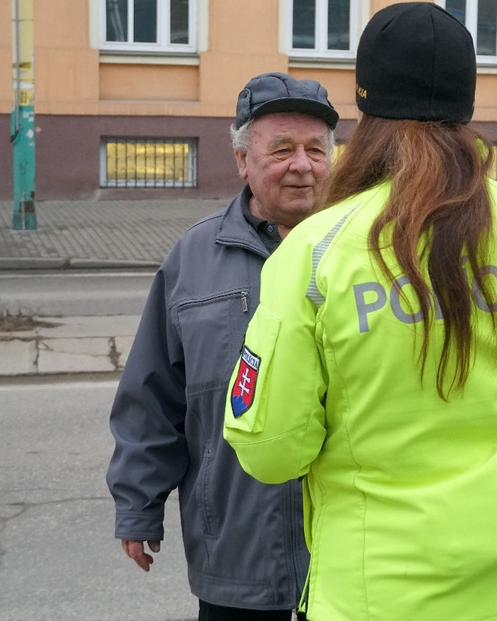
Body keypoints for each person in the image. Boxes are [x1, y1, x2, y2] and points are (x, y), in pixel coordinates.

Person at [223, 2, 497, 621]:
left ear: (367, 111)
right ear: (467, 106)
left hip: (375, 593)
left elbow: (271, 450)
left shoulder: (312, 253)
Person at [107, 72, 339, 621]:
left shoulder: (368, 249)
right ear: (242, 160)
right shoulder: (193, 258)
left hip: (351, 555)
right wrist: (139, 506)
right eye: (281, 149)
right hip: (235, 554)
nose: (302, 165)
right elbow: (153, 390)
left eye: (315, 149)